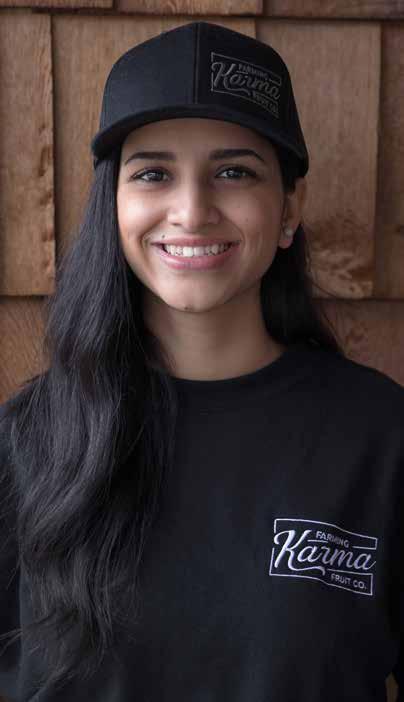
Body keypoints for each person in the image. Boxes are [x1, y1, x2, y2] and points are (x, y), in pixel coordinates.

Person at [0, 20, 403, 702]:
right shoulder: (23, 443)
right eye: (153, 173)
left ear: (289, 208)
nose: (191, 211)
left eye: (233, 172)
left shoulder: (382, 438)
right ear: (114, 205)